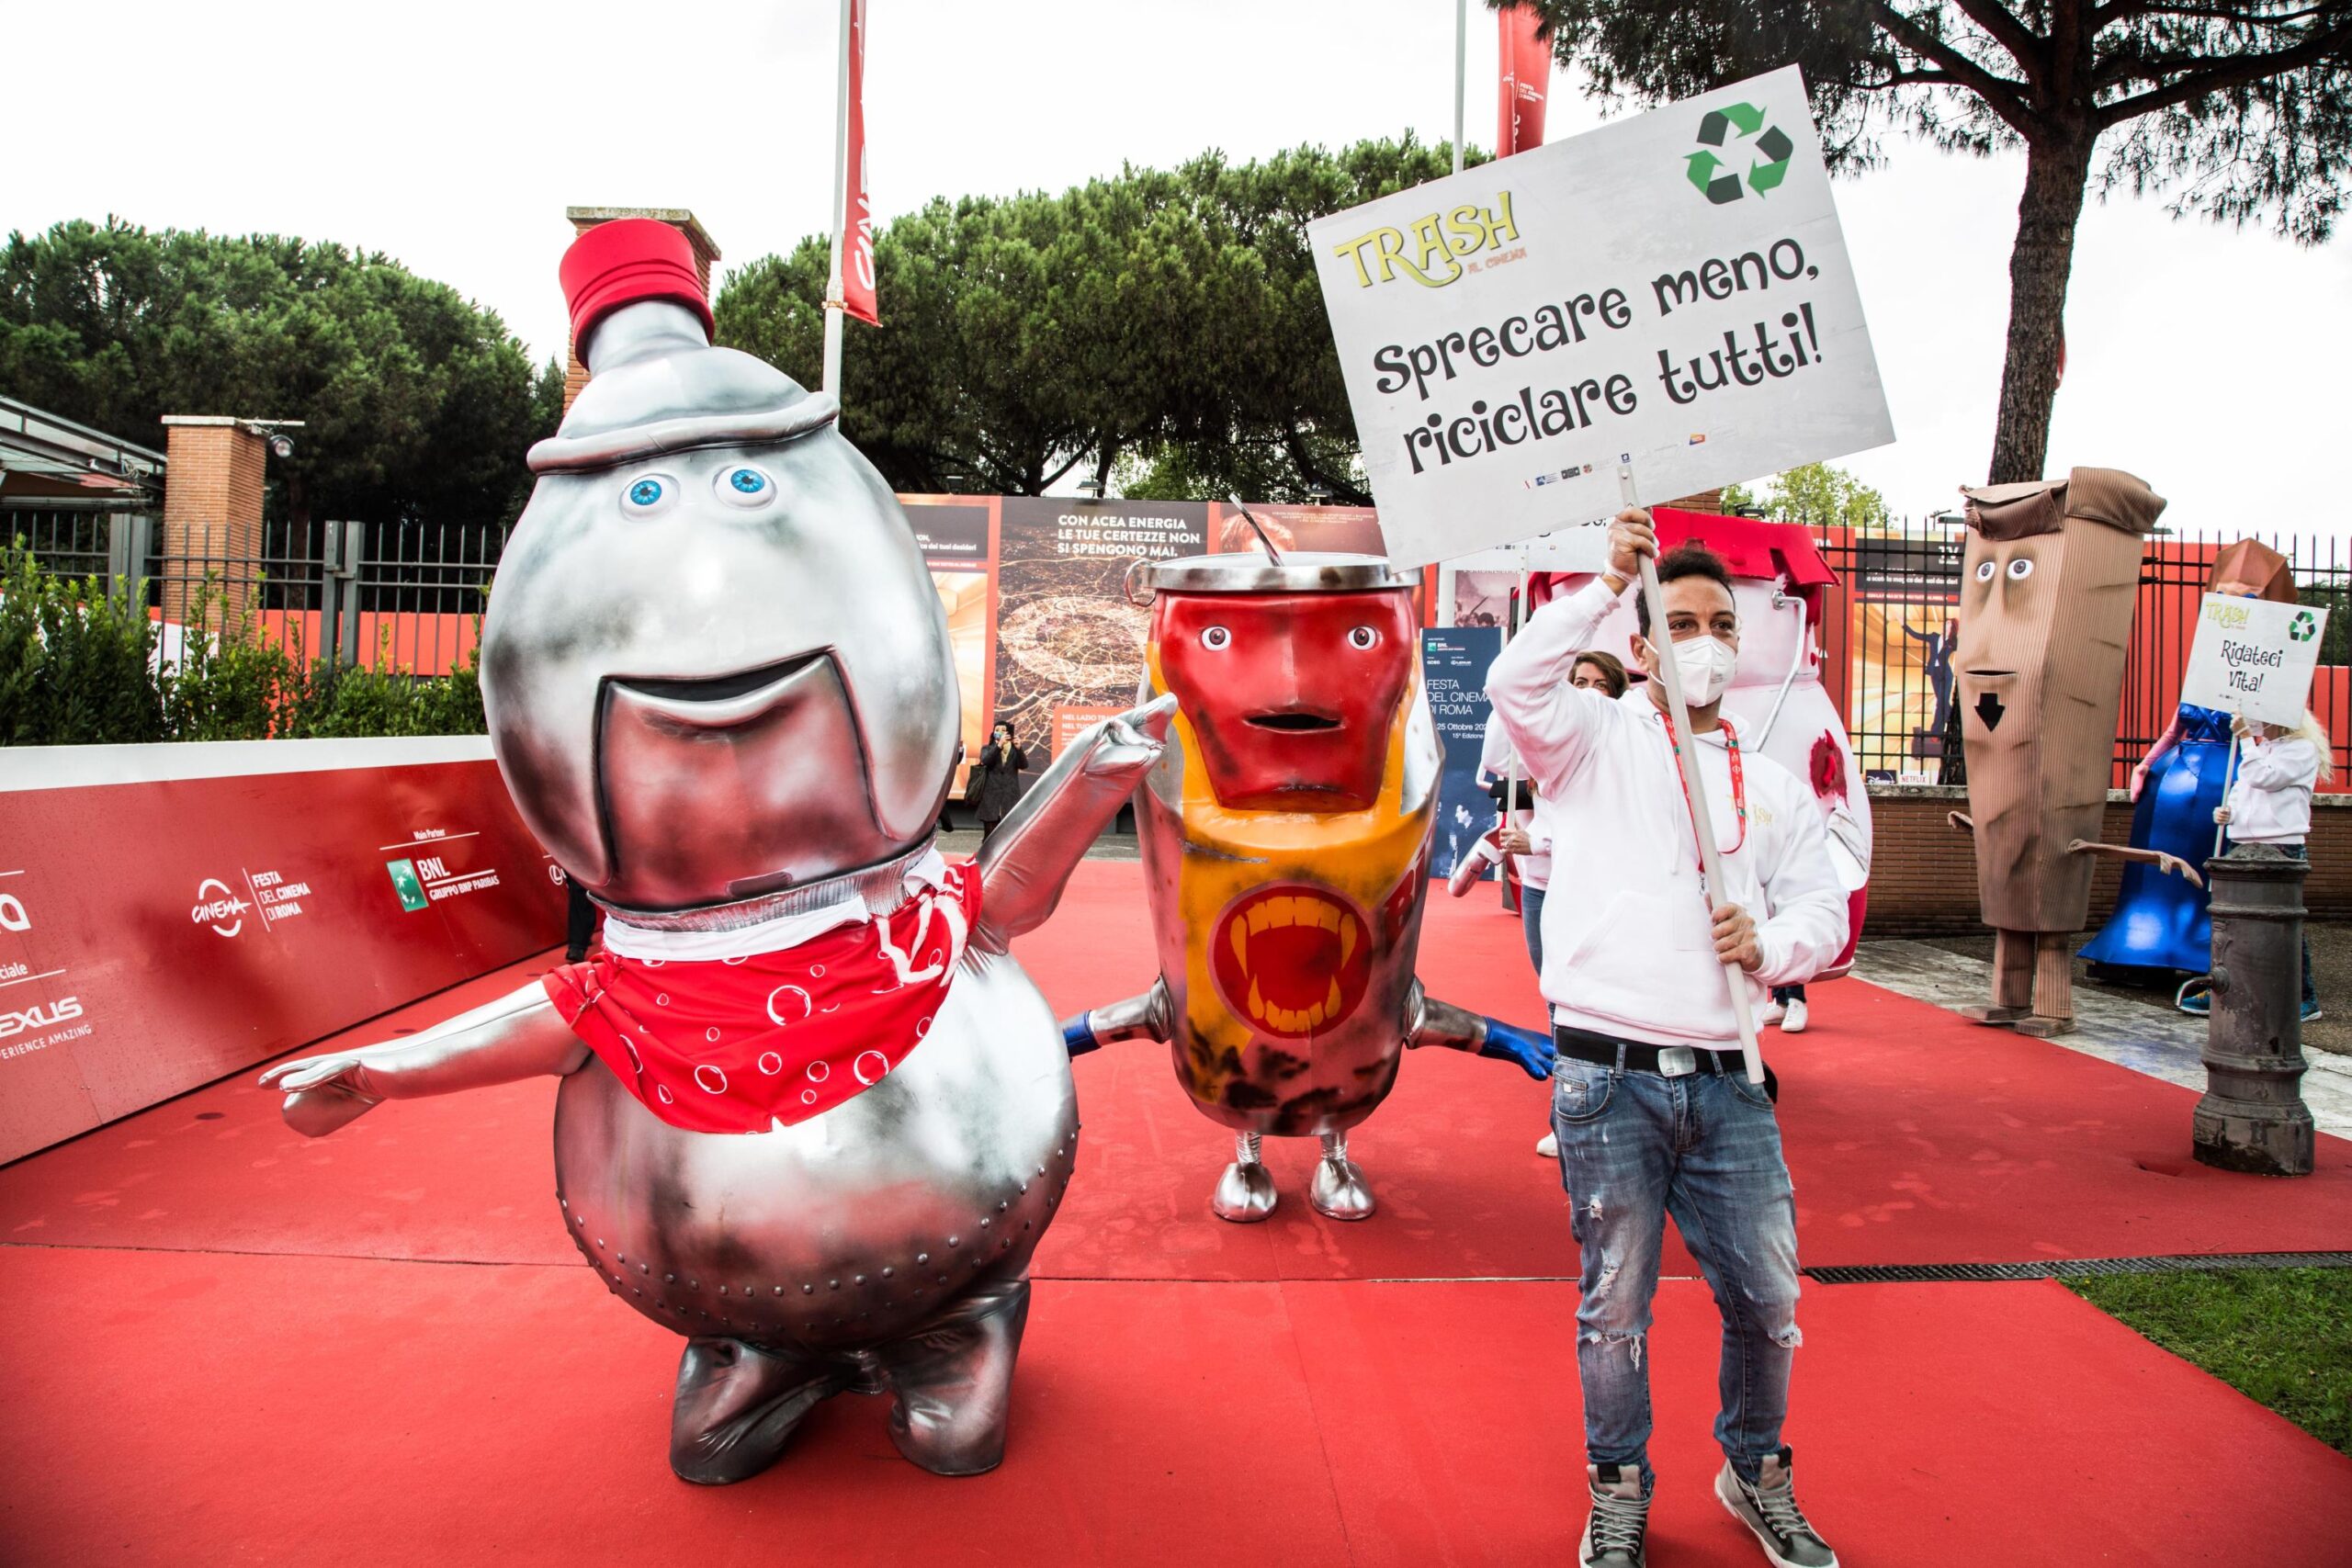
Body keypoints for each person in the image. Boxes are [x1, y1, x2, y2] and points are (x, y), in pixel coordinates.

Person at [1487, 513, 1848, 1568]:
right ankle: (1617, 1486)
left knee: (1769, 1301)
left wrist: (1772, 943)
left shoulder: (1772, 788)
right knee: (1614, 1309)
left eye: (1721, 623)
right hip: (1606, 1081)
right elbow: (1517, 680)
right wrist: (1606, 585)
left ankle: (1753, 1467)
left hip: (1733, 1086)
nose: (1704, 640)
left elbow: (1821, 912)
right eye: (1678, 622)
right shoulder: (1593, 742)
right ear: (1643, 646)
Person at [1487, 651, 1630, 1160]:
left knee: (1585, 1004)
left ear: (1616, 694)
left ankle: (1577, 1117)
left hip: (1589, 887)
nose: (1589, 691)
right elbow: (1507, 782)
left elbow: (1599, 830)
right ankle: (1572, 1113)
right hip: (1540, 888)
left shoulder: (1621, 756)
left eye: (1599, 684)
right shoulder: (1545, 747)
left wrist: (1541, 843)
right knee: (1555, 1002)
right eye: (1579, 682)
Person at [2195, 709, 2331, 1022]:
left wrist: (2245, 738)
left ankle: (2304, 998)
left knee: (2283, 925)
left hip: (2279, 844)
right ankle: (2227, 988)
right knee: (2230, 923)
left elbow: (2264, 778)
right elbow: (2247, 790)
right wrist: (2230, 815)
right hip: (2243, 843)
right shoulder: (2260, 749)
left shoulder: (2300, 749)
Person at [974, 722, 1029, 840]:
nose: (999, 732)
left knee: (1007, 836)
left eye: (1003, 730)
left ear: (1009, 733)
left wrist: (1019, 749)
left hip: (1010, 795)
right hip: (991, 795)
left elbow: (1024, 765)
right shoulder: (987, 748)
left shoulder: (1014, 750)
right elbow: (986, 761)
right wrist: (998, 746)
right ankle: (986, 857)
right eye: (997, 730)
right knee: (989, 835)